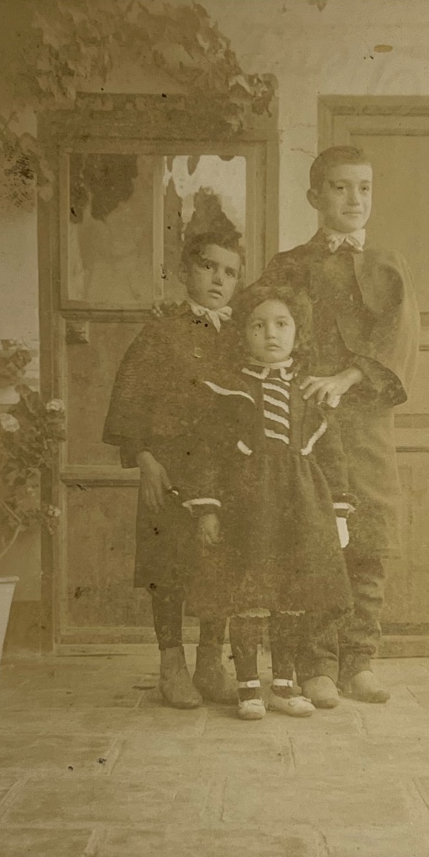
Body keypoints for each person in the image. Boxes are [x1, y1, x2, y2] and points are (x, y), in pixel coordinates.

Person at [252, 145, 419, 707]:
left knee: (368, 536)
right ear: (315, 197)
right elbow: (263, 328)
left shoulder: (388, 264)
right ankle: (315, 665)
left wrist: (347, 377)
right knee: (314, 536)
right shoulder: (288, 265)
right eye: (341, 187)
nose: (354, 199)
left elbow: (397, 338)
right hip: (305, 419)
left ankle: (359, 661)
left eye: (364, 188)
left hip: (366, 420)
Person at [181, 284, 355, 721]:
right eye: (258, 326)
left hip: (300, 505)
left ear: (298, 332)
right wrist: (208, 507)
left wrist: (337, 513)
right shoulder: (228, 390)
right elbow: (207, 452)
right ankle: (247, 688)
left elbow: (331, 457)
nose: (270, 335)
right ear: (242, 333)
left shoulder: (310, 393)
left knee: (291, 594)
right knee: (249, 594)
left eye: (282, 324)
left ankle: (282, 684)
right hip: (249, 507)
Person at [102, 232, 242, 709]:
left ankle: (210, 660)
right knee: (169, 566)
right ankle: (171, 665)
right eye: (208, 267)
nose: (218, 279)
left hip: (223, 472)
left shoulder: (244, 334)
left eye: (229, 272)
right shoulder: (162, 331)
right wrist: (143, 458)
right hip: (169, 468)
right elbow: (130, 396)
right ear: (186, 272)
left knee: (219, 562)